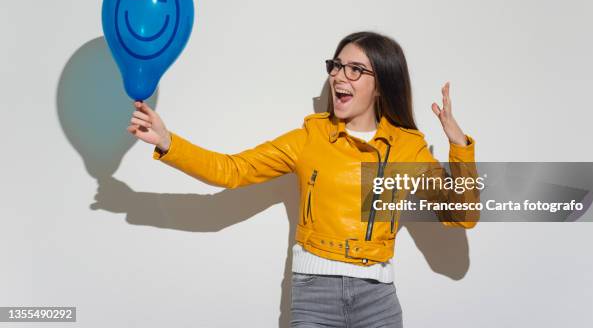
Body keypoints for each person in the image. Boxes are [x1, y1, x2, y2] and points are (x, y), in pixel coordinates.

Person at [127, 31, 480, 327]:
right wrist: (168, 142)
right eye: (337, 66)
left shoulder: (408, 148)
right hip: (314, 294)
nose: (340, 76)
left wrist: (459, 146)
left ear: (381, 85)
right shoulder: (308, 139)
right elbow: (231, 170)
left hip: (378, 298)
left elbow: (463, 216)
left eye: (356, 69)